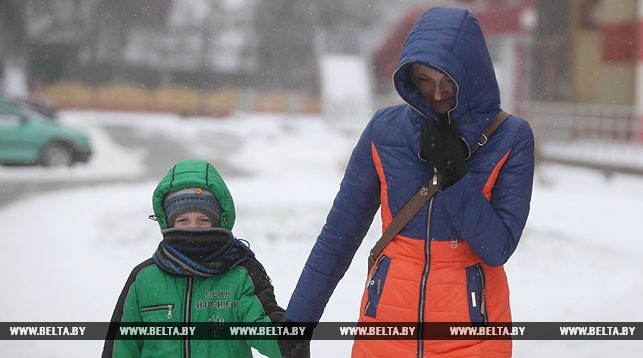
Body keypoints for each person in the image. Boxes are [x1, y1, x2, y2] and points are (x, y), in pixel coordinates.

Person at [283, 6, 535, 357]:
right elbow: (339, 234)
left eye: (448, 81)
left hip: (473, 339)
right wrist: (298, 323)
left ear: (473, 74)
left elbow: (497, 247)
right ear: (408, 78)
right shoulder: (383, 131)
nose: (437, 94)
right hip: (383, 334)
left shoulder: (511, 137)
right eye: (424, 80)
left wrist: (455, 174)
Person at [102, 159, 284, 358]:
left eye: (203, 220)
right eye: (183, 220)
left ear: (218, 221)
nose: (193, 228)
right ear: (168, 222)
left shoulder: (240, 273)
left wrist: (287, 340)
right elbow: (121, 347)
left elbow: (268, 333)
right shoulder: (144, 278)